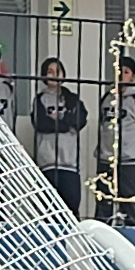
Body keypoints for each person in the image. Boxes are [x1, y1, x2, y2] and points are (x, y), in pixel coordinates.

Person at [30, 58, 88, 215]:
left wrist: (58, 120)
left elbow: (81, 120)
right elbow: (41, 124)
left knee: (71, 206)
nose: (54, 75)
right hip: (48, 160)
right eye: (50, 71)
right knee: (48, 209)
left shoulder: (72, 99)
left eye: (57, 71)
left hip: (69, 161)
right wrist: (66, 124)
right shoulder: (40, 99)